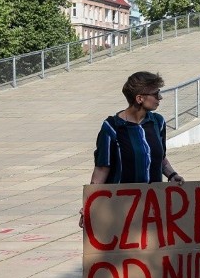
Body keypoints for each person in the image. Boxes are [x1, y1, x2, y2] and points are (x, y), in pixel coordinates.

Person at [79, 71, 184, 228]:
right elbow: (101, 169)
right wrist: (89, 205)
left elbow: (159, 157)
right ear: (139, 98)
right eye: (156, 94)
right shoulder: (112, 127)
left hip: (153, 206)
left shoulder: (158, 122)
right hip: (121, 208)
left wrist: (172, 175)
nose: (159, 98)